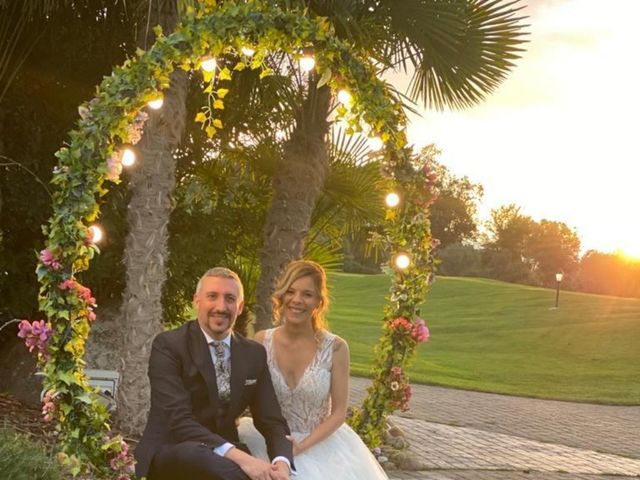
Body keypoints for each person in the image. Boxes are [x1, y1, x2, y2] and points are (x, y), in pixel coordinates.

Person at [135, 267, 294, 480]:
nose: (221, 307)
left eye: (230, 298)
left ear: (240, 307)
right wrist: (242, 459)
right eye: (212, 297)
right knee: (212, 460)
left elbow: (271, 420)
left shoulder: (253, 353)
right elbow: (177, 420)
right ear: (197, 301)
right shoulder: (169, 346)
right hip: (174, 449)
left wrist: (282, 463)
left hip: (225, 458)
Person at [238, 260, 388, 479]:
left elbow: (338, 413)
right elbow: (247, 395)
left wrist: (298, 448)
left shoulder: (336, 348)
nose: (297, 300)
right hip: (265, 441)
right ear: (282, 296)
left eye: (307, 294)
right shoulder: (262, 341)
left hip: (318, 447)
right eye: (291, 291)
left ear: (319, 301)